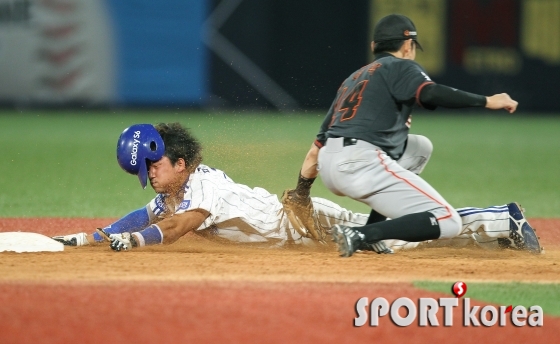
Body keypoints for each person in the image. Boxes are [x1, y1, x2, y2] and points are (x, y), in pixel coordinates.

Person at [52, 122, 540, 255]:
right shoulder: (171, 193)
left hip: (303, 221)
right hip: (300, 233)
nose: (151, 175)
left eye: (155, 166)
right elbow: (145, 215)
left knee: (397, 236)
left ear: (181, 163)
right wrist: (94, 236)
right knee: (398, 245)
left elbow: (177, 227)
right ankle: (495, 229)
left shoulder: (203, 186)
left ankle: (503, 218)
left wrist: (133, 243)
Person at [283, 13, 542, 257]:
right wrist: (487, 100)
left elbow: (316, 149)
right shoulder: (400, 67)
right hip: (360, 163)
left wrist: (301, 193)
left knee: (419, 147)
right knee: (447, 220)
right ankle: (361, 234)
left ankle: (372, 236)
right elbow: (430, 93)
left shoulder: (353, 79)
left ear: (375, 45)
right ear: (407, 45)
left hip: (331, 165)